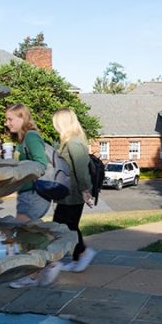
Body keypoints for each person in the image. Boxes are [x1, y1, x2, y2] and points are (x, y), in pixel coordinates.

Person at [5, 103, 62, 289]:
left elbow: (40, 164)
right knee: (27, 234)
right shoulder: (23, 140)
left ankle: (50, 264)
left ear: (22, 118)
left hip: (34, 194)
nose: (7, 123)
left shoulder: (31, 137)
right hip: (26, 193)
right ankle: (35, 273)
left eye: (10, 119)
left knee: (26, 232)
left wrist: (20, 171)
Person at [52, 107, 96, 272]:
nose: (56, 126)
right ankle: (77, 259)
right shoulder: (69, 142)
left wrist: (85, 191)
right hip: (67, 194)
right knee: (68, 226)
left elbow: (81, 171)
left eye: (57, 123)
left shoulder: (74, 143)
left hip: (73, 194)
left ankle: (83, 253)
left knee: (65, 227)